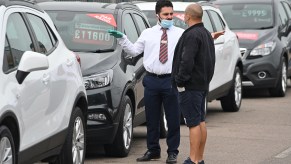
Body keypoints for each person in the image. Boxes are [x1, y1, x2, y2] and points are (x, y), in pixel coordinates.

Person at [108, 1, 183, 163]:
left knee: (173, 118)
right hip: (151, 80)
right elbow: (135, 50)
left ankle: (172, 152)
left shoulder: (180, 34)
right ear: (158, 16)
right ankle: (153, 150)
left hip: (170, 80)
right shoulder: (148, 33)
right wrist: (123, 39)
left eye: (171, 14)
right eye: (165, 14)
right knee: (152, 118)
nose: (169, 17)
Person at [171, 3, 216, 164]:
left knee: (193, 124)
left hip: (190, 86)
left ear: (188, 16)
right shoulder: (205, 33)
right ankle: (200, 158)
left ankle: (193, 159)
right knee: (200, 121)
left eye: (184, 14)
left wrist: (180, 80)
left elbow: (187, 60)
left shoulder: (191, 35)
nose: (184, 16)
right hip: (202, 85)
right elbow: (211, 60)